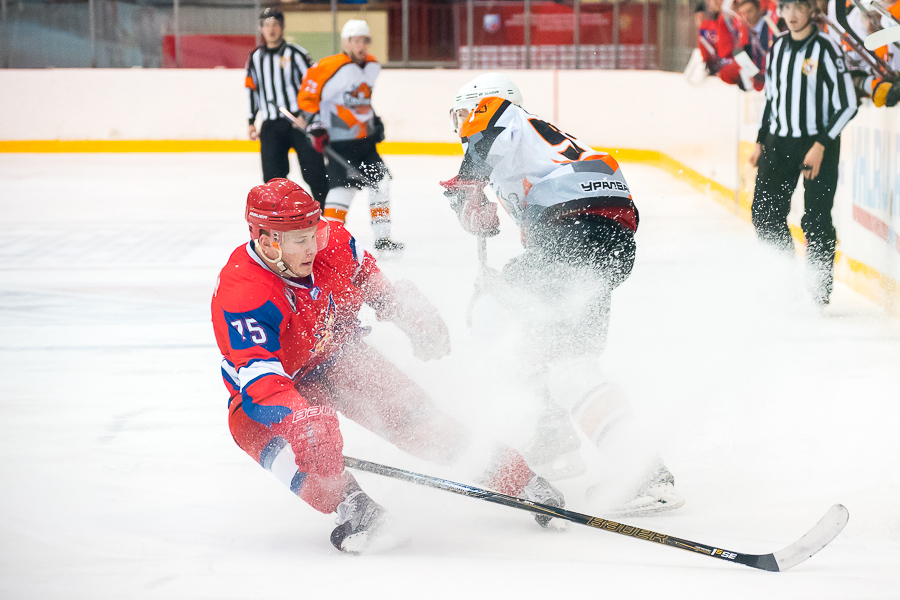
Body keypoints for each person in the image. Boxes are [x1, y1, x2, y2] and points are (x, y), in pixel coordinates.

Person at [211, 178, 564, 553]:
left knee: (425, 426)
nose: (312, 246)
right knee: (284, 447)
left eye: (312, 233)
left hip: (338, 356)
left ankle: (520, 477)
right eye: (299, 240)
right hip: (276, 392)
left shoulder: (331, 240)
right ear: (267, 241)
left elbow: (370, 281)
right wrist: (302, 420)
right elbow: (261, 383)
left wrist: (407, 313)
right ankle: (354, 506)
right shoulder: (243, 292)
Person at [440, 74, 683, 516]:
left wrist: (466, 192)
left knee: (495, 310)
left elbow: (484, 130)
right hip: (602, 237)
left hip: (577, 230)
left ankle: (645, 473)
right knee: (566, 355)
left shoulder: (499, 113)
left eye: (461, 114)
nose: (460, 126)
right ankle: (557, 439)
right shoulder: (534, 144)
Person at [749, 0, 859, 306]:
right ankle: (785, 284)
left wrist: (821, 145)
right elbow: (772, 100)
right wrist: (760, 141)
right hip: (778, 143)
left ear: (812, 10)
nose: (792, 14)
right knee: (765, 215)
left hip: (817, 144)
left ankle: (818, 291)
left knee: (816, 220)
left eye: (799, 6)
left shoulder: (826, 48)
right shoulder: (778, 48)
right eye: (786, 7)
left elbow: (848, 104)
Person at [296, 19, 403, 253]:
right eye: (355, 40)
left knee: (381, 184)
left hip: (364, 143)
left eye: (364, 40)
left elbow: (362, 100)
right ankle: (329, 241)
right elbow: (307, 95)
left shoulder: (373, 66)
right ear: (346, 43)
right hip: (338, 142)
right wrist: (315, 124)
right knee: (342, 190)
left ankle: (383, 239)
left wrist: (374, 120)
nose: (360, 45)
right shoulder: (330, 66)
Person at [245, 8, 328, 206]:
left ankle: (324, 218)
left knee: (315, 173)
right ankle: (282, 222)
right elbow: (252, 89)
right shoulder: (255, 58)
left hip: (299, 123)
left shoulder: (297, 54)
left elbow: (314, 85)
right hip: (272, 125)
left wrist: (307, 116)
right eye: (266, 25)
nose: (271, 29)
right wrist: (251, 121)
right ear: (261, 28)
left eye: (275, 24)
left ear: (282, 28)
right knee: (273, 179)